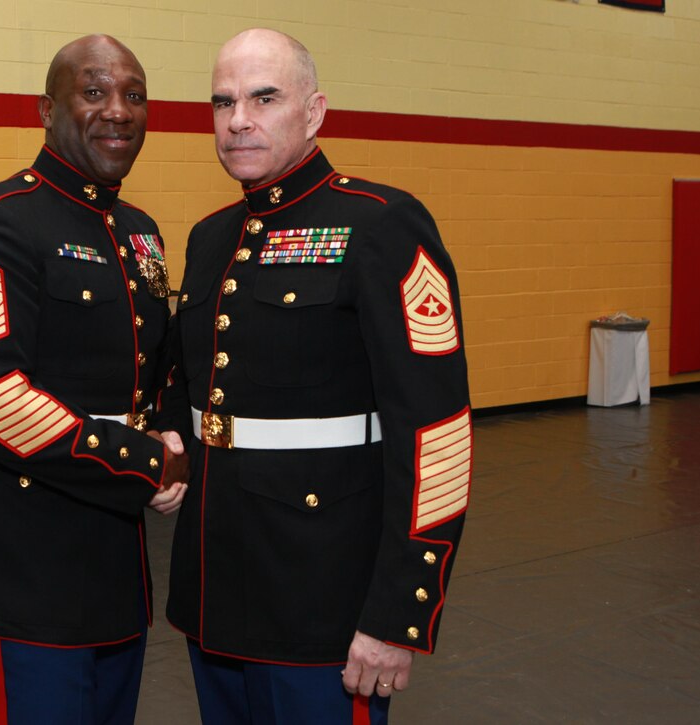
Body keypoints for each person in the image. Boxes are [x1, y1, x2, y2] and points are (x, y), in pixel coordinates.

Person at [159, 29, 472, 724]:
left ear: (315, 111)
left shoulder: (382, 224)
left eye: (264, 97)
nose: (238, 118)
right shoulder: (211, 237)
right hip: (215, 587)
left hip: (324, 596)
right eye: (222, 101)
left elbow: (439, 433)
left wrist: (399, 613)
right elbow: (193, 385)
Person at [0, 34, 188, 724]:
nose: (119, 111)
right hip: (23, 560)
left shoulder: (140, 232)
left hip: (114, 557)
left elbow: (155, 361)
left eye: (135, 95)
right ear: (47, 108)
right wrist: (144, 460)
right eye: (95, 92)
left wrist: (170, 425)